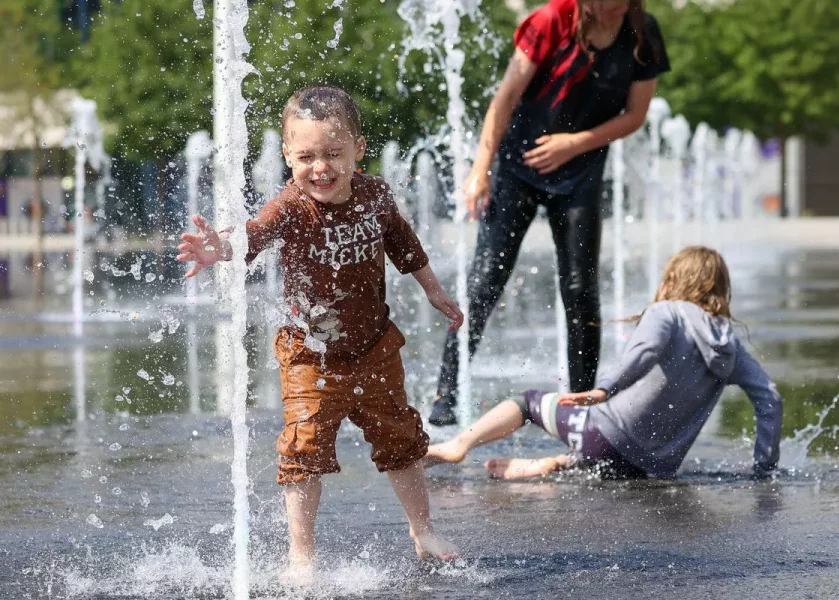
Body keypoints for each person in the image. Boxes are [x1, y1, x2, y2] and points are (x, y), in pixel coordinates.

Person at [176, 86, 463, 575]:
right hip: (309, 352)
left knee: (400, 438)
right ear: (287, 154)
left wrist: (434, 290)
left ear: (358, 149)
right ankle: (301, 556)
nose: (320, 168)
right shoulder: (291, 206)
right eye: (305, 156)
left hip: (374, 346)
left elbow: (402, 241)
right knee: (304, 446)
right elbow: (253, 233)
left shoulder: (374, 195)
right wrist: (219, 248)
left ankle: (423, 529)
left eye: (333, 153)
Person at [430, 0, 671, 426]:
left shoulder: (643, 35)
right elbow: (504, 98)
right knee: (486, 280)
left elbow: (635, 115)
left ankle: (580, 405)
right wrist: (480, 170)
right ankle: (446, 395)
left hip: (579, 172)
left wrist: (575, 143)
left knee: (580, 288)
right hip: (518, 169)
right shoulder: (551, 20)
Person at [425, 246, 784, 480]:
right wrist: (763, 467)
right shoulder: (730, 345)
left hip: (604, 436)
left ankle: (459, 444)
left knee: (527, 402)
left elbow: (643, 354)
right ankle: (557, 465)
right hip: (653, 466)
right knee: (597, 457)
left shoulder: (667, 313)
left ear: (673, 279)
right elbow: (770, 398)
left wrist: (603, 390)